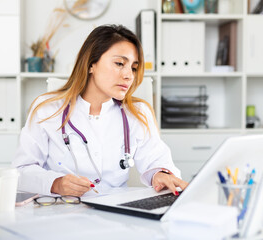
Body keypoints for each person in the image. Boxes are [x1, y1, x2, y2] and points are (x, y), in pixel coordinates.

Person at [13, 24, 188, 197]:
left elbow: (156, 160)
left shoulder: (137, 112)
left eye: (133, 68)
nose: (129, 75)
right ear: (91, 64)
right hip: (62, 209)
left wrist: (160, 175)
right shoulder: (47, 109)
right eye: (120, 63)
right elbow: (21, 171)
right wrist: (56, 183)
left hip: (116, 212)